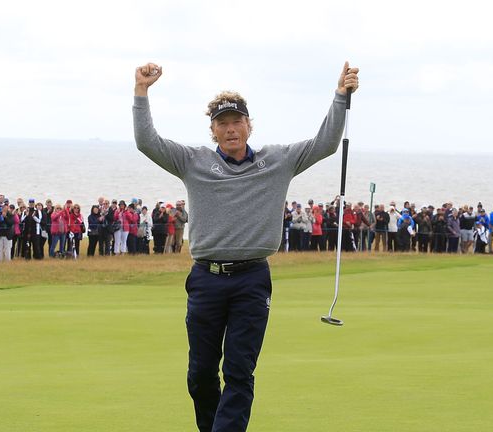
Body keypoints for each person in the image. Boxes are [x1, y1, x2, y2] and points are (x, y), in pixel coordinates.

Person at [133, 60, 358, 432]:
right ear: (213, 130)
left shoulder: (278, 160)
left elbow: (326, 144)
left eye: (237, 121)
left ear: (249, 125)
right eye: (222, 123)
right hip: (206, 279)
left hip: (252, 280)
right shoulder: (192, 161)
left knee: (239, 371)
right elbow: (147, 142)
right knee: (200, 373)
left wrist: (339, 95)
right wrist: (141, 91)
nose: (231, 128)